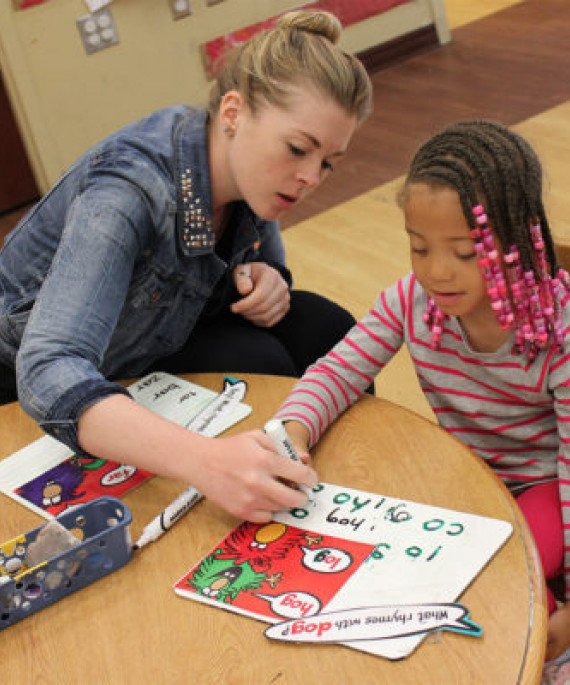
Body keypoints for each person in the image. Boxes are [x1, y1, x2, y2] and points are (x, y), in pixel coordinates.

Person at [0, 11, 372, 522]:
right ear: (235, 112)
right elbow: (48, 367)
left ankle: (334, 492)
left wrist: (271, 283)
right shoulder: (128, 189)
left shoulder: (238, 163)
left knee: (324, 328)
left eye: (328, 161)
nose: (310, 177)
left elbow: (268, 267)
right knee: (263, 362)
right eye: (297, 150)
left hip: (152, 335)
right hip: (37, 378)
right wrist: (207, 463)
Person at [272, 120, 570, 666]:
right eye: (418, 248)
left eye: (463, 251)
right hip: (468, 480)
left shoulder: (559, 329)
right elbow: (338, 371)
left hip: (547, 482)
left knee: (512, 577)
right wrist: (291, 434)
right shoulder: (411, 301)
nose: (436, 272)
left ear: (520, 240)